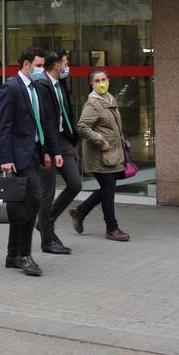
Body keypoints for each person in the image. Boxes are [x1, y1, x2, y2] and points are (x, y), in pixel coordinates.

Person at [0, 45, 62, 276]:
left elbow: (43, 124)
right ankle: (23, 254)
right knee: (34, 199)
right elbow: (3, 127)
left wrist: (49, 152)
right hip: (19, 156)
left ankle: (13, 254)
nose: (41, 70)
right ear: (26, 65)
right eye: (39, 66)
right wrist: (6, 158)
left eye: (43, 66)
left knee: (24, 204)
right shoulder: (11, 88)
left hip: (35, 152)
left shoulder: (37, 89)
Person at [70, 69, 131, 242]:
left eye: (104, 79)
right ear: (91, 84)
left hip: (113, 154)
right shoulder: (93, 104)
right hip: (100, 155)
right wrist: (100, 140)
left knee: (107, 188)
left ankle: (80, 211)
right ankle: (112, 228)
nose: (101, 83)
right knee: (108, 190)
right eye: (97, 81)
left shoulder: (110, 99)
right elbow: (82, 127)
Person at [35, 50, 82, 255]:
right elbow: (43, 121)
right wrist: (46, 151)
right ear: (57, 66)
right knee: (48, 192)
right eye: (65, 63)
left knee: (75, 183)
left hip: (62, 140)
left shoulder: (60, 84)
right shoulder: (42, 85)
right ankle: (47, 239)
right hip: (47, 144)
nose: (67, 66)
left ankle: (45, 221)